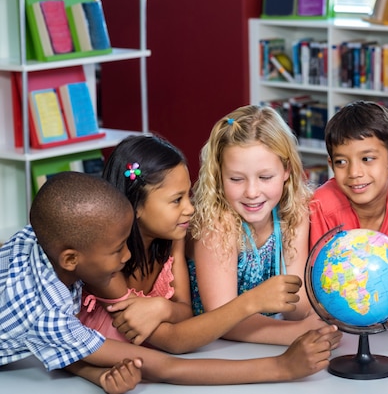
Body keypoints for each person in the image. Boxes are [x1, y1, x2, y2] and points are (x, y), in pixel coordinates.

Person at [0, 171, 338, 393]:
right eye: (118, 250)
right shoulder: (45, 313)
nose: (126, 258)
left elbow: (60, 347)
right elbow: (167, 367)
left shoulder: (39, 238)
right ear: (71, 259)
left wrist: (96, 374)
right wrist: (281, 368)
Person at [79, 134, 310, 353]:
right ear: (135, 205)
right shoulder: (107, 268)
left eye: (187, 196)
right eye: (177, 200)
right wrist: (252, 301)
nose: (190, 209)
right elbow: (174, 341)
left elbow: (184, 312)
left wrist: (163, 308)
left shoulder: (172, 241)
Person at [188, 105, 342, 346]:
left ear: (286, 171)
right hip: (216, 347)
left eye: (265, 177)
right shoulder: (217, 224)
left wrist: (317, 322)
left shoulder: (294, 212)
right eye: (236, 179)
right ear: (218, 176)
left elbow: (297, 305)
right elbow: (221, 320)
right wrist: (295, 333)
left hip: (263, 338)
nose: (251, 192)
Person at [308, 101, 388, 327]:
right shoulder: (322, 205)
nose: (354, 173)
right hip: (332, 322)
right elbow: (318, 281)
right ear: (331, 164)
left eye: (367, 159)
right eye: (341, 162)